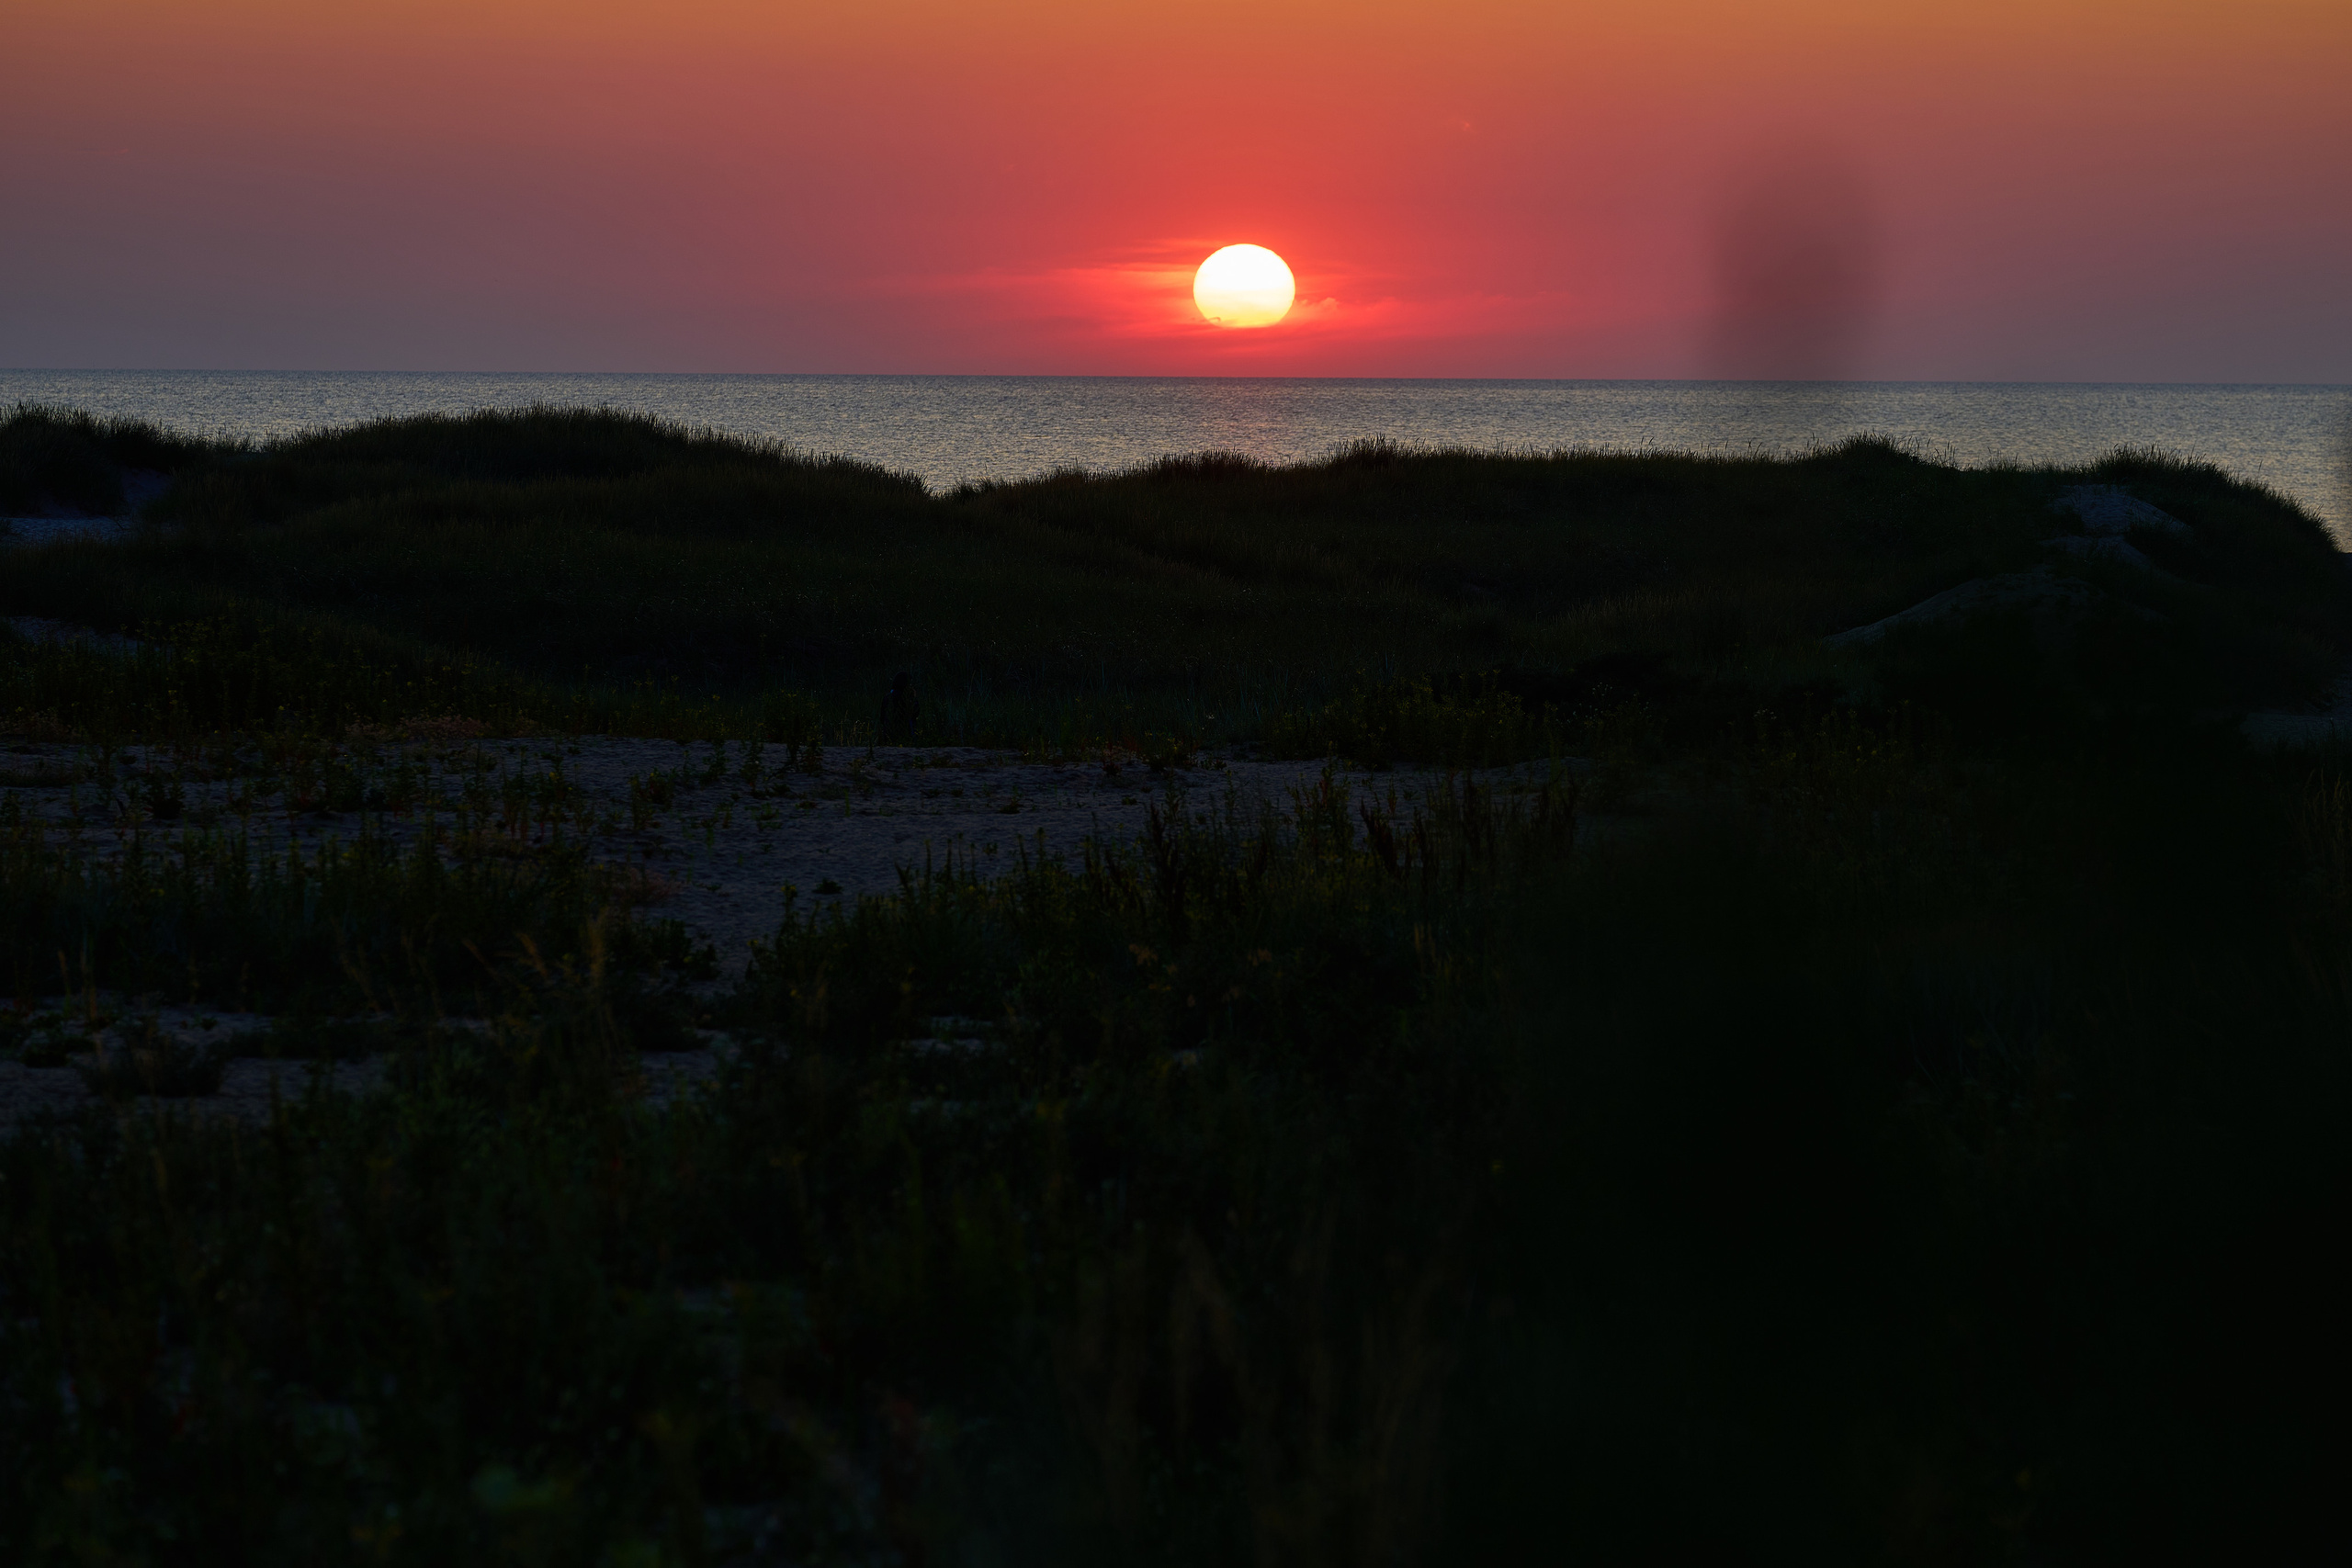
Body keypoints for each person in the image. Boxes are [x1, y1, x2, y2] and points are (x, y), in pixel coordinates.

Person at [880, 671, 919, 743]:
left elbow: (882, 718)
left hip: (888, 733)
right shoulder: (906, 698)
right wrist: (913, 698)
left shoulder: (888, 697)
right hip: (905, 733)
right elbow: (915, 712)